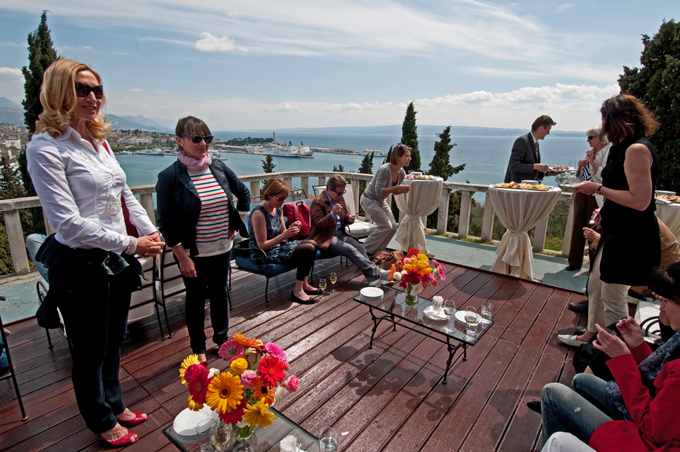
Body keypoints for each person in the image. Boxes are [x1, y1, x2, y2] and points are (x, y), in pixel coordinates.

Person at [25, 58, 164, 446]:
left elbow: (123, 195)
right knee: (88, 350)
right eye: (81, 89)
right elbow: (67, 223)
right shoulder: (45, 147)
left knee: (113, 339)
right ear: (57, 93)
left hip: (115, 261)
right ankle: (100, 419)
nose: (92, 97)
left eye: (97, 90)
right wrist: (132, 243)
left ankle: (115, 403)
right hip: (81, 264)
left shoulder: (99, 142)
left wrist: (149, 230)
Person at [539, 262, 680, 451]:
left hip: (644, 441)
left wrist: (623, 361)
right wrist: (638, 347)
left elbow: (652, 429)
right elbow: (660, 379)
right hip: (650, 421)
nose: (661, 309)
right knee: (582, 380)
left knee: (551, 393)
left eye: (665, 301)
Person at [564, 94, 661, 346]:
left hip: (631, 235)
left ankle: (619, 353)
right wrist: (604, 212)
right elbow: (621, 189)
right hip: (615, 229)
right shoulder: (621, 148)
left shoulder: (637, 149)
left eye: (604, 118)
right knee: (596, 286)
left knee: (613, 296)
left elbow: (640, 200)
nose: (603, 124)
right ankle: (593, 335)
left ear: (615, 119)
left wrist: (597, 190)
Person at [156, 116, 250, 364]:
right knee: (196, 300)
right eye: (197, 139)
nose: (203, 144)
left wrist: (236, 222)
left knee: (220, 293)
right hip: (193, 254)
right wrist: (182, 258)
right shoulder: (170, 177)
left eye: (207, 138)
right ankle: (197, 346)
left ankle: (222, 339)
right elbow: (165, 222)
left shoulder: (217, 166)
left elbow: (243, 192)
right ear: (179, 140)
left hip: (221, 248)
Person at [309, 174, 390, 286]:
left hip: (340, 233)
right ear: (329, 189)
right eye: (339, 193)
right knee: (350, 250)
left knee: (360, 248)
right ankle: (378, 273)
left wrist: (347, 219)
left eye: (343, 192)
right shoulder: (318, 202)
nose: (341, 195)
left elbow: (342, 218)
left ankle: (373, 279)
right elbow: (318, 225)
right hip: (325, 237)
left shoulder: (339, 199)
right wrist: (332, 214)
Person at [249, 178, 320, 304]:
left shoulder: (278, 210)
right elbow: (261, 246)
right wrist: (284, 236)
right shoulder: (259, 214)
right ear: (269, 195)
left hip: (278, 246)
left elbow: (283, 233)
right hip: (264, 254)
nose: (283, 202)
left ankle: (304, 284)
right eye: (280, 199)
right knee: (307, 249)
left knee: (313, 243)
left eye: (284, 199)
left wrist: (292, 227)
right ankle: (297, 291)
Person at [566, 127, 611, 271]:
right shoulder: (591, 153)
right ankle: (574, 261)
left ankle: (594, 264)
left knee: (594, 228)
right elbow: (582, 176)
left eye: (591, 137)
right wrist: (580, 168)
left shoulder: (608, 152)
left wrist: (592, 162)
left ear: (601, 138)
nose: (588, 140)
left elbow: (604, 175)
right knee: (578, 226)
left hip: (595, 195)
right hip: (583, 194)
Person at [359, 143, 411, 255]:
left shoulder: (401, 172)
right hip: (369, 200)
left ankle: (378, 251)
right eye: (406, 156)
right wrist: (397, 188)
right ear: (398, 157)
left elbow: (394, 192)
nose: (409, 158)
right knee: (385, 226)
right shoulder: (384, 170)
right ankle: (363, 251)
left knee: (392, 228)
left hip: (380, 201)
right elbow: (379, 190)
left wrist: (401, 190)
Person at [504, 115, 557, 183]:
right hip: (518, 188)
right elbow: (514, 165)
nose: (548, 133)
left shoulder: (536, 144)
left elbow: (533, 170)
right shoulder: (522, 141)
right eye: (548, 130)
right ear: (541, 128)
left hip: (529, 187)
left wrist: (547, 173)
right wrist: (535, 166)